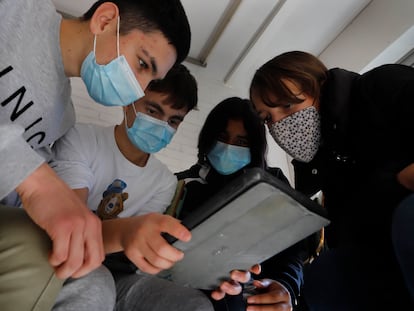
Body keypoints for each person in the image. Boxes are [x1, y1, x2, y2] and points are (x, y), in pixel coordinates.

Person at [0, 0, 191, 309]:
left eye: (151, 80)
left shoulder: (61, 118)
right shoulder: (18, 9)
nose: (140, 89)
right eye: (143, 64)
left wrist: (126, 233)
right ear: (104, 21)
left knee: (94, 284)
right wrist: (36, 181)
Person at [248, 50, 414, 310]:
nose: (278, 122)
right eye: (267, 118)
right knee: (324, 276)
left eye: (288, 104)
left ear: (320, 87)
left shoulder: (381, 86)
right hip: (386, 251)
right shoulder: (329, 167)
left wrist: (401, 181)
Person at [51, 64, 213, 311]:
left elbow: (130, 254)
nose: (162, 125)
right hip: (61, 255)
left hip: (115, 271)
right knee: (96, 285)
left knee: (193, 304)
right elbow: (72, 233)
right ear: (128, 100)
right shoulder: (82, 138)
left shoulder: (164, 182)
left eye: (174, 120)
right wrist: (127, 233)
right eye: (152, 110)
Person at [175, 97, 309, 311]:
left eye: (241, 142)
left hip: (255, 291)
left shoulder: (271, 184)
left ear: (255, 147)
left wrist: (286, 287)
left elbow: (291, 252)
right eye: (222, 137)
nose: (228, 148)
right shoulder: (183, 185)